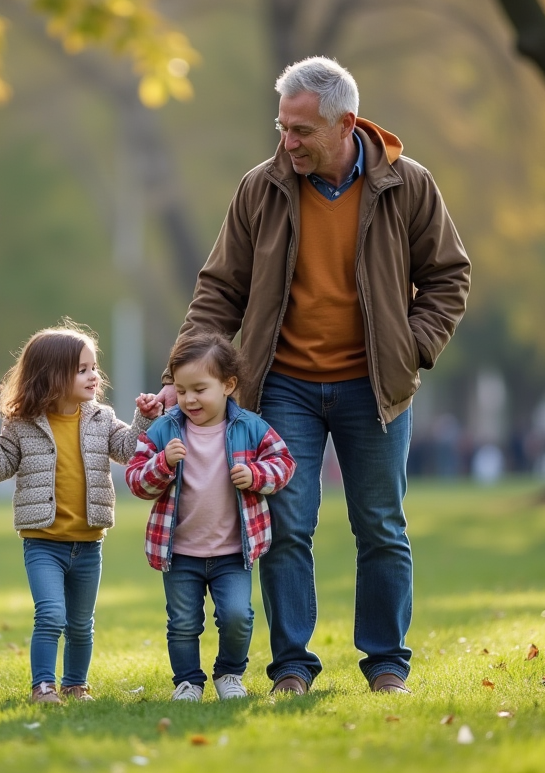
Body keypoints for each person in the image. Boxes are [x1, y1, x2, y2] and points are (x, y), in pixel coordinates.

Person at [157, 57, 470, 695]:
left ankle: (386, 664)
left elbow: (448, 277)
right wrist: (185, 371)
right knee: (286, 525)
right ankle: (292, 667)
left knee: (380, 523)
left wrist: (412, 347)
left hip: (376, 387)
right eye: (283, 127)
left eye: (301, 131)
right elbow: (221, 288)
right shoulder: (261, 187)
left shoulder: (408, 185)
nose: (287, 142)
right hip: (284, 385)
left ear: (345, 124)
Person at [0, 322, 163, 703]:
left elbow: (126, 449)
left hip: (89, 543)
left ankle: (75, 686)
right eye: (82, 369)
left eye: (94, 368)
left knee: (81, 625)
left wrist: (145, 420)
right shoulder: (23, 425)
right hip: (43, 543)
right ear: (51, 375)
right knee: (51, 615)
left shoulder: (101, 417)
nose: (93, 376)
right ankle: (43, 686)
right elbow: (1, 468)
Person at [127, 332, 296, 702]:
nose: (189, 399)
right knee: (183, 623)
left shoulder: (250, 426)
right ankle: (188, 681)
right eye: (182, 390)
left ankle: (229, 674)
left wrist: (256, 476)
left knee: (238, 616)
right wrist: (162, 463)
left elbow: (284, 464)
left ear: (228, 385)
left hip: (232, 551)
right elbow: (136, 480)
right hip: (180, 552)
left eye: (199, 389)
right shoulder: (164, 430)